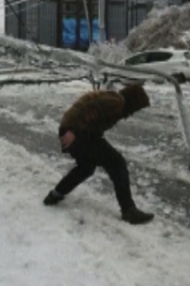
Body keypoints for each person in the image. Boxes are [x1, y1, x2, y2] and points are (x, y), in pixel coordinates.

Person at [43, 83, 154, 225]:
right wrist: (73, 132)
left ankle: (55, 195)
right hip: (76, 132)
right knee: (117, 163)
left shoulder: (114, 99)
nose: (134, 112)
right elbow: (87, 111)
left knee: (86, 167)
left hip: (74, 130)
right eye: (137, 108)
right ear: (134, 102)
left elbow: (93, 118)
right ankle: (129, 211)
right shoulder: (117, 102)